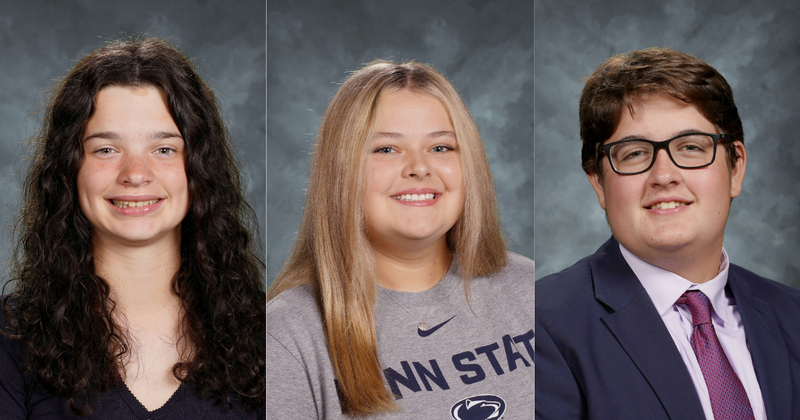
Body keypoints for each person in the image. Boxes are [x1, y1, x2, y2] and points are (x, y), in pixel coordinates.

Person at [0, 37, 266, 418]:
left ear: (198, 169)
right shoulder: (10, 338)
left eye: (164, 149)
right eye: (106, 149)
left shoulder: (268, 335)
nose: (136, 174)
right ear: (70, 169)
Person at [535, 47, 800, 420]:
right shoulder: (538, 325)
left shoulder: (793, 315)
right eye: (634, 154)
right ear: (598, 182)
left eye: (690, 147)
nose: (664, 176)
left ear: (735, 167)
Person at [266, 60, 534, 419]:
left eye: (441, 147)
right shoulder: (286, 335)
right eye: (386, 149)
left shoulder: (529, 288)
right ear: (341, 172)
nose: (419, 167)